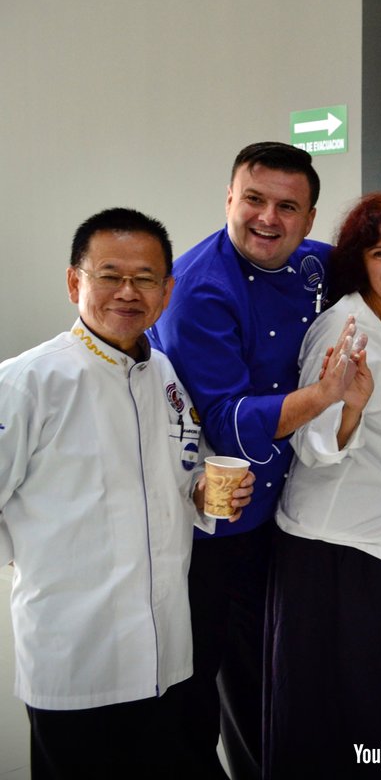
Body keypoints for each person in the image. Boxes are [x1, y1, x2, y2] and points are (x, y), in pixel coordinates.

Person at [0, 208, 252, 778]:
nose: (128, 292)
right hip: (77, 659)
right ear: (75, 283)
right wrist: (29, 554)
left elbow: (180, 476)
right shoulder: (28, 380)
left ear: (167, 291)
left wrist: (203, 495)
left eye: (145, 278)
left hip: (170, 655)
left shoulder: (165, 374)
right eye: (110, 275)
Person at [149, 142, 357, 778]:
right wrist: (326, 396)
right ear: (229, 199)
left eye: (287, 207)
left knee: (267, 670)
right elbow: (226, 421)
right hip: (211, 517)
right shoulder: (198, 289)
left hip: (281, 511)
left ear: (310, 218)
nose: (268, 218)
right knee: (200, 678)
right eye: (254, 200)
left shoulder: (315, 264)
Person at [264, 193, 381, 777]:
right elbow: (311, 447)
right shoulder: (344, 328)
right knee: (349, 720)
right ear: (359, 262)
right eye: (380, 253)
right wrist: (350, 408)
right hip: (337, 552)